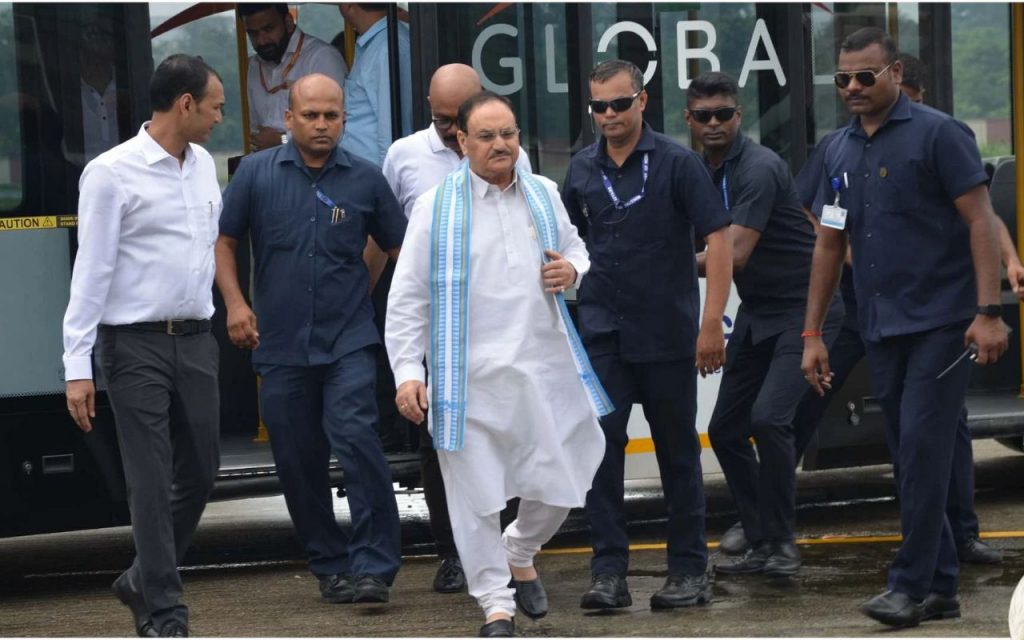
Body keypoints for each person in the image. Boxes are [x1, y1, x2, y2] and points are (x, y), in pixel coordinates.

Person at [802, 27, 1008, 628]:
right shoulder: (837, 150)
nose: (853, 87)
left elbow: (980, 221)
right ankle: (941, 587)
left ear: (895, 73)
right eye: (843, 79)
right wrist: (812, 334)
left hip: (943, 324)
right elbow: (828, 243)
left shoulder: (940, 134)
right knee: (908, 455)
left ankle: (909, 585)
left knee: (919, 450)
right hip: (880, 325)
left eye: (865, 76)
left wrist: (989, 311)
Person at [385, 91, 608, 637]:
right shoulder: (435, 207)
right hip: (469, 381)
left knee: (574, 465)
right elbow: (407, 297)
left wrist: (572, 271)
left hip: (543, 371)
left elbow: (577, 248)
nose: (500, 144)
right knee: (475, 497)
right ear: (462, 141)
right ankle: (495, 603)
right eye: (486, 136)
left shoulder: (543, 194)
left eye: (507, 133)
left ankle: (521, 547)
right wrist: (408, 372)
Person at [215, 73, 404, 606]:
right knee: (297, 460)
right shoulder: (255, 174)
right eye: (311, 115)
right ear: (289, 118)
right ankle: (330, 565)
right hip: (278, 343)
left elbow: (398, 249)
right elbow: (224, 242)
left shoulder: (366, 180)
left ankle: (374, 567)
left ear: (344, 119)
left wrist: (394, 310)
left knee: (357, 439)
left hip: (349, 339)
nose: (322, 125)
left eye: (331, 116)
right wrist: (235, 305)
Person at [63, 54, 225, 638]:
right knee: (150, 481)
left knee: (202, 471)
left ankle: (140, 578)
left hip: (197, 341)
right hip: (134, 347)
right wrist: (77, 365)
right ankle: (164, 610)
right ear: (185, 104)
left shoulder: (203, 166)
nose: (219, 118)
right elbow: (91, 272)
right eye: (215, 107)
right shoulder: (111, 173)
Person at [562, 59, 732, 611]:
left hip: (666, 334)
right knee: (600, 452)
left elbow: (718, 239)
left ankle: (689, 570)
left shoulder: (678, 163)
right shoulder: (581, 168)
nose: (609, 115)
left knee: (678, 454)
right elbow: (568, 244)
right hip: (602, 334)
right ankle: (609, 573)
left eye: (619, 103)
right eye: (599, 107)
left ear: (642, 100)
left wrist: (712, 323)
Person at [682, 72, 843, 579]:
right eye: (703, 115)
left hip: (804, 309)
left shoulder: (759, 167)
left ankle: (781, 545)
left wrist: (659, 262)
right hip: (758, 313)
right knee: (724, 430)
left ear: (739, 115)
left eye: (723, 114)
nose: (714, 123)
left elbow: (735, 254)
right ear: (689, 119)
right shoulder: (696, 169)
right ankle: (760, 535)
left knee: (769, 420)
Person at [380, 64, 531, 595]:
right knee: (440, 445)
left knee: (510, 440)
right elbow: (388, 240)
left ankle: (509, 549)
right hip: (443, 336)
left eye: (458, 119)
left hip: (503, 331)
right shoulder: (403, 157)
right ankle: (452, 553)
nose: (449, 130)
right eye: (441, 119)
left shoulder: (512, 155)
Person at [239, 3, 348, 152]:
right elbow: (255, 129)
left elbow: (337, 127)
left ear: (288, 23)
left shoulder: (322, 58)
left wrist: (282, 140)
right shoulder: (253, 65)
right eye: (253, 34)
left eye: (268, 29)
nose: (261, 41)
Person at [338, 3, 412, 166]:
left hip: (374, 173)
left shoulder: (388, 46)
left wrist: (387, 179)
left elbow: (391, 129)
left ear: (348, 5)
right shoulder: (379, 42)